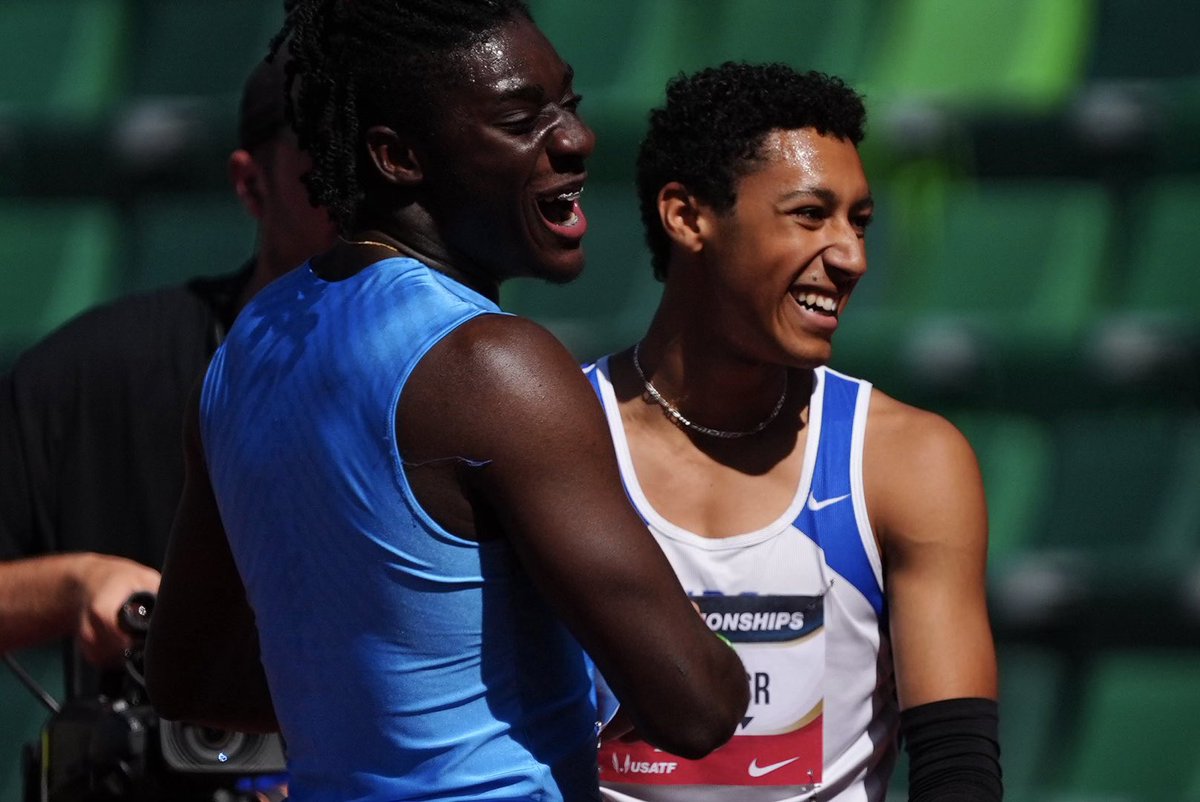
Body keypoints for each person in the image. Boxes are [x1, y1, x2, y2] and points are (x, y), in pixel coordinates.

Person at [143, 2, 749, 801]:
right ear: (398, 157)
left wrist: (381, 702)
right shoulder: (495, 365)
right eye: (520, 120)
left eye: (568, 104)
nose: (575, 138)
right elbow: (698, 705)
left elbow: (188, 680)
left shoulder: (247, 350)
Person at [587, 63, 1002, 801]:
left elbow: (958, 774)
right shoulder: (556, 438)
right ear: (686, 217)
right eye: (811, 215)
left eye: (860, 221)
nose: (852, 258)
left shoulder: (906, 460)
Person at [0, 55, 336, 686]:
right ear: (251, 184)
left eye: (402, 165)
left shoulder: (483, 378)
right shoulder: (97, 370)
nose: (374, 204)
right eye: (333, 173)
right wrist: (76, 584)